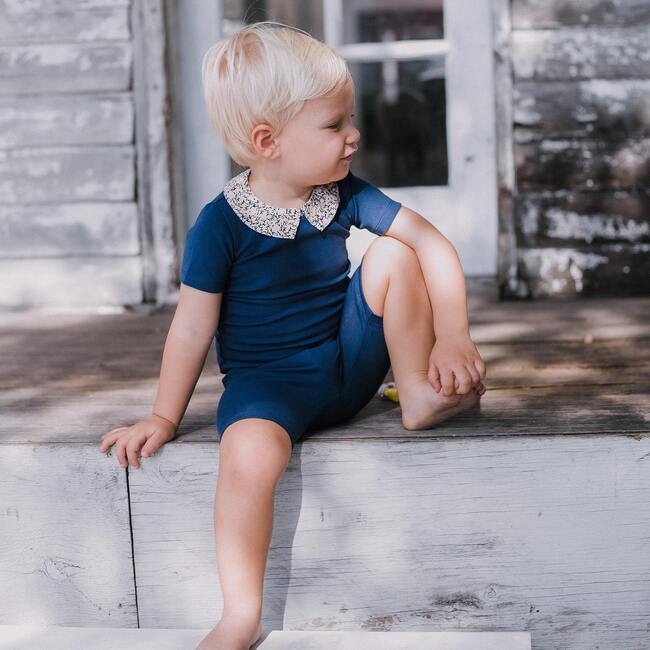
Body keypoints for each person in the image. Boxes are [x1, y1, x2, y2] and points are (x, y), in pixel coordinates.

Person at [99, 21, 487, 650]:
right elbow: (191, 326)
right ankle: (240, 616)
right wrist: (164, 417)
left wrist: (454, 336)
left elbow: (431, 243)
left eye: (348, 119)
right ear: (267, 140)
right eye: (335, 125)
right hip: (268, 390)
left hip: (347, 366)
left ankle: (417, 391)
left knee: (391, 255)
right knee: (247, 456)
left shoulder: (341, 194)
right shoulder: (219, 226)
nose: (354, 135)